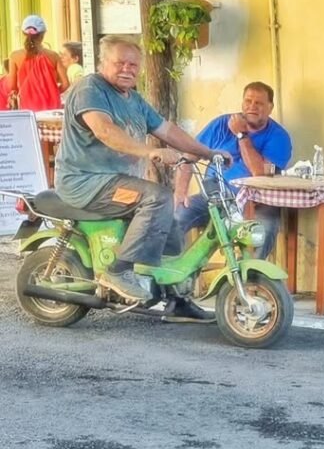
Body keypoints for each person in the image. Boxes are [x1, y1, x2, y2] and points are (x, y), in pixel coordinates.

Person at [55, 35, 232, 313]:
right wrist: (149, 152)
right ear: (103, 63)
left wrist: (209, 153)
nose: (128, 69)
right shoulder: (90, 88)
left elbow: (167, 130)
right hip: (87, 181)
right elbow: (104, 130)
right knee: (157, 198)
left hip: (117, 183)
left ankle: (177, 299)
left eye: (133, 65)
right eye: (120, 63)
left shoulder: (135, 99)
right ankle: (119, 270)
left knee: (170, 220)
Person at [174, 81, 292, 260]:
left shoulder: (278, 136)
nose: (252, 107)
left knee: (265, 229)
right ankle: (178, 279)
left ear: (270, 107)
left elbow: (258, 172)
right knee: (176, 215)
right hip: (214, 199)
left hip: (256, 203)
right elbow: (189, 156)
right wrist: (180, 192)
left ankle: (249, 281)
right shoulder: (221, 124)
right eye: (248, 101)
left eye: (258, 103)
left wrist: (241, 135)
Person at [6, 15, 68, 111]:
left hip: (28, 108)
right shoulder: (53, 55)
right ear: (43, 34)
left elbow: (11, 86)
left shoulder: (14, 56)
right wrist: (53, 93)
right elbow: (65, 84)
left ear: (24, 34)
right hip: (53, 108)